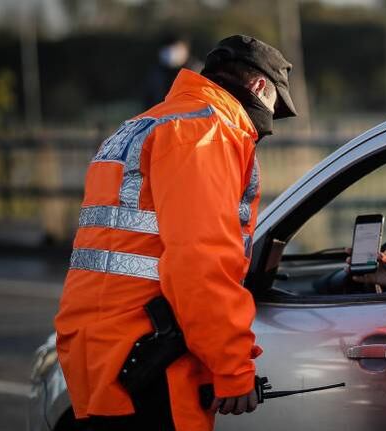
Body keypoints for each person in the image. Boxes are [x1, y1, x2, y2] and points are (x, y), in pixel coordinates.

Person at [54, 35, 297, 431]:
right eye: (275, 106)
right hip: (151, 358)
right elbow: (200, 260)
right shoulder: (207, 131)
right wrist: (233, 367)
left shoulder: (142, 125)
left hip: (99, 349)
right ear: (258, 86)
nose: (268, 121)